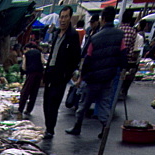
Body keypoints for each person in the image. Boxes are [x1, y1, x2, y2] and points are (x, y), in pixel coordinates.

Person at [66, 6, 128, 137]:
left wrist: (81, 77)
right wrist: (123, 70)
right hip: (108, 77)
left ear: (103, 19)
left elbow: (87, 58)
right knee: (105, 103)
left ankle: (77, 126)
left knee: (83, 104)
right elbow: (123, 55)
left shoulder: (95, 37)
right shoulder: (119, 36)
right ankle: (104, 128)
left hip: (92, 78)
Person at [42, 4, 81, 138]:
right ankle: (48, 126)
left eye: (65, 17)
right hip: (50, 72)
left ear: (70, 18)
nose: (63, 20)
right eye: (61, 17)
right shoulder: (56, 34)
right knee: (46, 101)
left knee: (54, 102)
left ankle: (50, 129)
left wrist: (66, 75)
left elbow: (76, 57)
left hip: (61, 75)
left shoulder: (73, 35)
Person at [18, 36, 44, 115]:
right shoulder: (39, 53)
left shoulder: (26, 54)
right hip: (39, 74)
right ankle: (29, 110)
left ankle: (21, 108)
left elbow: (24, 67)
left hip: (31, 73)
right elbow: (43, 62)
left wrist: (25, 71)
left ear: (27, 48)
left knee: (25, 92)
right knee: (34, 92)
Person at [120, 10, 140, 99]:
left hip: (116, 59)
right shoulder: (133, 32)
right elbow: (134, 49)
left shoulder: (118, 30)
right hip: (127, 61)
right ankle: (122, 91)